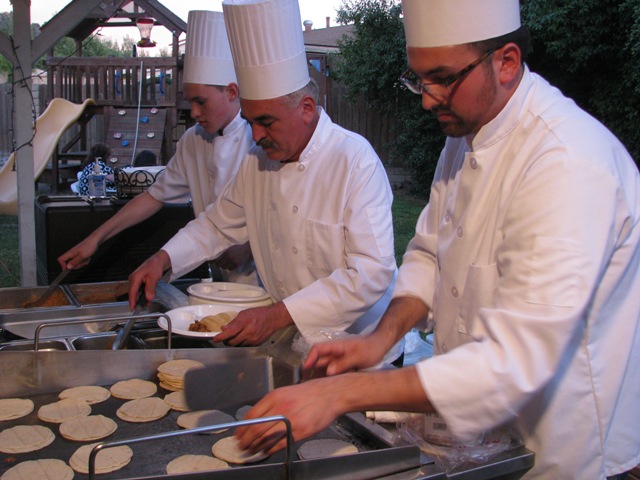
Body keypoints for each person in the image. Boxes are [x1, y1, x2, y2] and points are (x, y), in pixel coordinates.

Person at [233, 0, 640, 478]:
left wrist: (339, 392)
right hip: (471, 435)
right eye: (419, 79)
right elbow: (429, 253)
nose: (427, 98)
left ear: (506, 62)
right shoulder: (464, 135)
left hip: (558, 441)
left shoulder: (567, 164)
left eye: (443, 78)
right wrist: (379, 338)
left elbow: (517, 362)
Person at [127, 0, 402, 362]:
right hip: (294, 344)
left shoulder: (354, 161)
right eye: (250, 120)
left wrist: (276, 315)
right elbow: (214, 226)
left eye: (267, 122)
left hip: (362, 352)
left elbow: (370, 273)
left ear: (305, 108)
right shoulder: (257, 163)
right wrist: (162, 259)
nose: (255, 135)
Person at [58, 10, 257, 284]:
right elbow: (153, 197)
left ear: (232, 92)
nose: (195, 112)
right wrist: (95, 239)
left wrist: (250, 248)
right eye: (190, 102)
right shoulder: (193, 140)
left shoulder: (260, 140)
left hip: (262, 280)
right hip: (222, 282)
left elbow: (286, 215)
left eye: (201, 101)